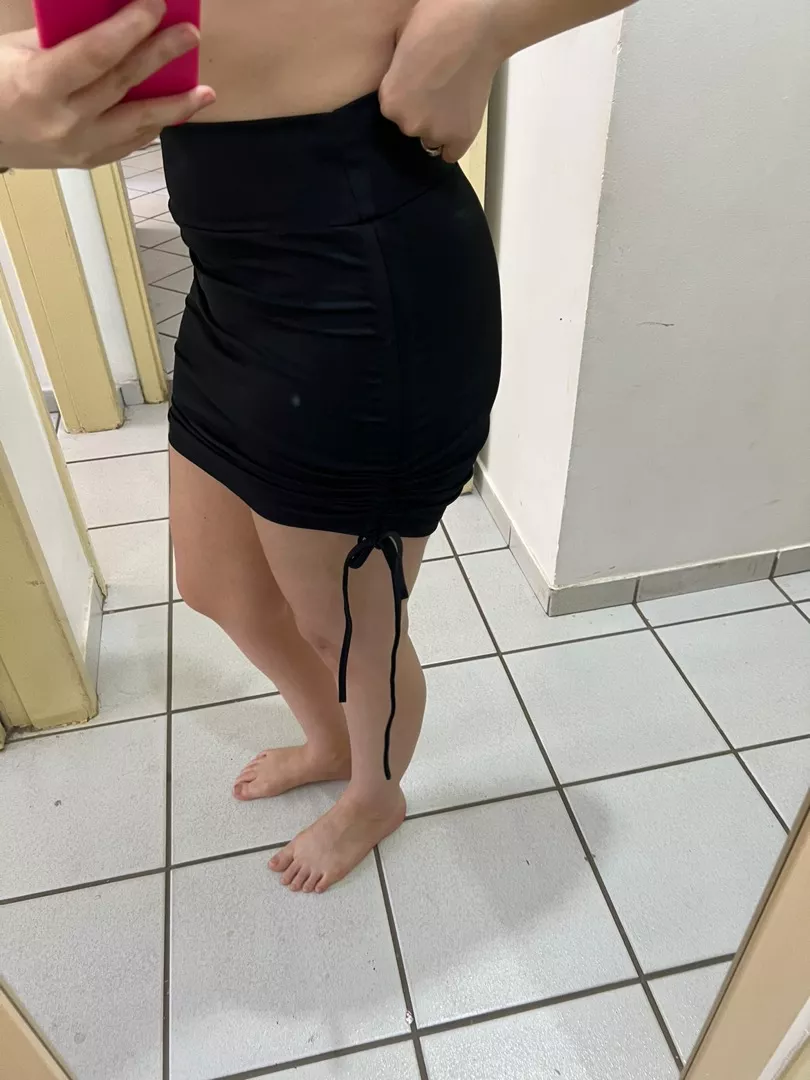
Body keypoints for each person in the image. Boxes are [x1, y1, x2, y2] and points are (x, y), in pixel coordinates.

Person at [1, 0, 632, 894]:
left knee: (348, 626)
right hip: (231, 282)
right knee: (217, 586)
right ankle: (334, 740)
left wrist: (483, 21)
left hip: (361, 286)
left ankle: (375, 794)